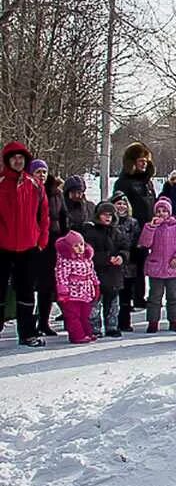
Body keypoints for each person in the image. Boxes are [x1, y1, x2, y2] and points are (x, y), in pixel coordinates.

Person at [0, 141, 50, 347]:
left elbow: (44, 216)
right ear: (8, 161)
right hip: (2, 246)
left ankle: (27, 333)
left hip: (29, 246)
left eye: (21, 158)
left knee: (26, 291)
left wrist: (41, 240)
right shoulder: (1, 183)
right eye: (14, 158)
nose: (18, 161)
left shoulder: (35, 185)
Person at [139, 197, 176, 334]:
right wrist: (151, 228)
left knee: (174, 296)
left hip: (174, 268)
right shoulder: (150, 227)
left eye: (164, 211)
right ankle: (153, 321)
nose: (161, 213)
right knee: (154, 297)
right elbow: (145, 243)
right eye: (158, 211)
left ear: (169, 213)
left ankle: (174, 320)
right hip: (156, 268)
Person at [113, 142, 156, 307]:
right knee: (128, 264)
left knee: (141, 263)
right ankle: (127, 298)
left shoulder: (148, 182)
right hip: (129, 229)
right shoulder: (123, 182)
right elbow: (120, 205)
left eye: (145, 160)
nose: (144, 163)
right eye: (140, 160)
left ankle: (139, 296)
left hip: (146, 229)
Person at [84, 201, 126, 338]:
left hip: (114, 275)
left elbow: (125, 248)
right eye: (104, 215)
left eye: (110, 215)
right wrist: (107, 258)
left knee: (113, 304)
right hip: (97, 274)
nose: (107, 218)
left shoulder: (117, 232)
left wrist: (122, 257)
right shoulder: (91, 232)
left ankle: (112, 326)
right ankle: (94, 327)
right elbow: (89, 253)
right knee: (95, 304)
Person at [34, 167, 68, 337]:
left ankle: (43, 322)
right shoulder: (30, 190)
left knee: (47, 284)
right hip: (33, 240)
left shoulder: (56, 193)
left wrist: (65, 239)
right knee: (32, 284)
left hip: (53, 240)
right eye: (38, 172)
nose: (41, 175)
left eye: (44, 172)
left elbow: (63, 216)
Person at [54, 230, 99, 344]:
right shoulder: (65, 261)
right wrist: (63, 292)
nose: (80, 247)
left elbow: (92, 273)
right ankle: (77, 335)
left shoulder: (87, 258)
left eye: (81, 244)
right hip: (72, 294)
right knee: (73, 315)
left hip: (86, 291)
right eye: (76, 245)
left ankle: (86, 333)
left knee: (85, 314)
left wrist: (95, 284)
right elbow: (61, 276)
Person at [109, 191, 142, 332]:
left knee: (127, 295)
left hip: (130, 263)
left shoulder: (133, 222)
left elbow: (137, 241)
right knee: (113, 295)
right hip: (113, 263)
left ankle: (125, 321)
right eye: (118, 203)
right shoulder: (109, 221)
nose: (121, 206)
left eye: (123, 203)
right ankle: (111, 321)